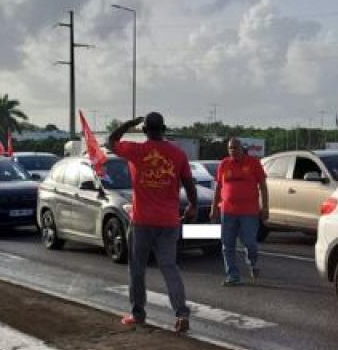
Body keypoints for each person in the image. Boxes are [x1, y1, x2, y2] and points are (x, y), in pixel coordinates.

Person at [108, 112, 198, 333]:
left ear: (145, 131)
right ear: (164, 129)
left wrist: (129, 124)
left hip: (142, 221)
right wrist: (193, 206)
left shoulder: (136, 151)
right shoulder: (178, 153)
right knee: (170, 268)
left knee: (137, 269)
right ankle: (181, 313)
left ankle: (138, 315)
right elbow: (189, 183)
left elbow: (110, 142)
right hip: (168, 221)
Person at [210, 137, 268, 286]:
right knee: (227, 244)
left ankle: (252, 262)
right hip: (227, 211)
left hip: (249, 211)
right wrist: (213, 209)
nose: (233, 151)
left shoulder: (253, 163)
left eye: (235, 148)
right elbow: (218, 188)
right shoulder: (224, 164)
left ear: (242, 148)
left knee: (250, 242)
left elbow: (262, 185)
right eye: (230, 148)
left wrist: (265, 206)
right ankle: (232, 275)